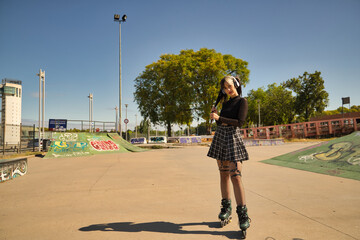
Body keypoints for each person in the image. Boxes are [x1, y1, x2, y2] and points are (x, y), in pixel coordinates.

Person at [207, 75, 250, 235]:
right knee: (224, 175)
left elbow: (240, 122)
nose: (227, 90)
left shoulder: (242, 101)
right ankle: (226, 207)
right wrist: (216, 115)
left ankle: (243, 214)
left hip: (233, 138)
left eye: (229, 86)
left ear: (236, 85)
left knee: (236, 176)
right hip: (221, 137)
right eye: (224, 88)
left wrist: (220, 118)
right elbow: (221, 122)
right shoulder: (225, 103)